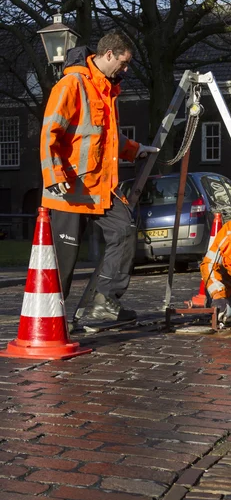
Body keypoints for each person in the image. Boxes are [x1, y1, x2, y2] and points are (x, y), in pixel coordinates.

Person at [41, 30, 159, 322]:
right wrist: (54, 175)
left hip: (101, 188)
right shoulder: (71, 84)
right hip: (69, 189)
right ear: (109, 55)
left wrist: (134, 150)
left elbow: (106, 139)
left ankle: (105, 299)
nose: (126, 69)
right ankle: (47, 317)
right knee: (63, 263)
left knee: (125, 230)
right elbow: (49, 133)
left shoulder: (106, 90)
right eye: (124, 62)